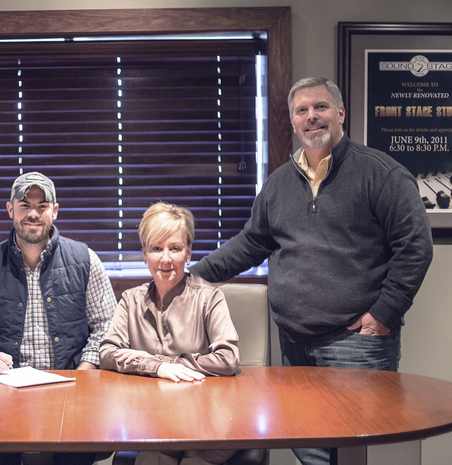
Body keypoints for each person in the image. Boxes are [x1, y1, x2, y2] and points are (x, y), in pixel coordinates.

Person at [188, 77, 434, 465]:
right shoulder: (279, 184)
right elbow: (252, 243)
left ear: (340, 113)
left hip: (356, 342)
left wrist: (384, 314)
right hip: (294, 343)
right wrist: (190, 278)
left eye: (320, 107)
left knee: (352, 450)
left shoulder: (381, 174)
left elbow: (416, 247)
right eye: (301, 110)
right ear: (291, 121)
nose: (311, 117)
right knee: (310, 449)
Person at [0, 171, 117, 465]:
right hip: (4, 392)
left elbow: (107, 323)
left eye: (42, 206)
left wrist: (87, 365)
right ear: (10, 209)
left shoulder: (85, 259)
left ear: (55, 210)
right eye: (25, 205)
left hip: (71, 386)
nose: (33, 214)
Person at [100, 201, 239, 465]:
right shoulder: (130, 299)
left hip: (207, 418)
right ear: (144, 254)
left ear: (188, 253)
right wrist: (156, 367)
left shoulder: (210, 297)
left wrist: (162, 364)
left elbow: (228, 358)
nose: (165, 259)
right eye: (156, 249)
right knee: (152, 460)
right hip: (152, 417)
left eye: (174, 248)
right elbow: (107, 353)